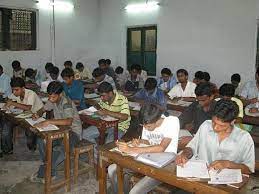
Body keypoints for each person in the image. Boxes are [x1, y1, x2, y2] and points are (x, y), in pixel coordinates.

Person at [108, 103, 180, 194]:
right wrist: (140, 142)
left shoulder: (172, 121)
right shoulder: (147, 120)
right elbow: (148, 142)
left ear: (157, 120)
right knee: (112, 169)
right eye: (143, 126)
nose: (145, 128)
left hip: (164, 166)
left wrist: (130, 150)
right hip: (145, 159)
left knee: (134, 192)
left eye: (148, 126)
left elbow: (161, 148)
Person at [176, 99, 255, 175]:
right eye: (214, 122)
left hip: (226, 183)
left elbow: (249, 169)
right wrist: (185, 154)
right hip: (201, 175)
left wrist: (228, 164)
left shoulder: (244, 138)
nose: (215, 128)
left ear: (232, 121)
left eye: (222, 125)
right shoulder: (206, 126)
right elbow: (191, 147)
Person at [31, 81, 82, 182]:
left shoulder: (66, 102)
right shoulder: (53, 99)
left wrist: (49, 121)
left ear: (61, 94)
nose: (50, 99)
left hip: (73, 132)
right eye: (49, 96)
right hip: (59, 130)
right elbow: (44, 109)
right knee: (41, 141)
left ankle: (47, 170)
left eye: (53, 97)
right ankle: (50, 168)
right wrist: (38, 114)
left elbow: (68, 121)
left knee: (62, 149)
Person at [2, 77, 43, 154]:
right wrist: (7, 103)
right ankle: (8, 150)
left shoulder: (31, 94)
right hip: (20, 116)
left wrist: (13, 103)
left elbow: (28, 108)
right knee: (6, 129)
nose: (14, 92)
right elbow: (9, 100)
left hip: (35, 116)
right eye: (13, 90)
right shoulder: (15, 93)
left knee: (29, 133)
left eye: (16, 90)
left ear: (23, 88)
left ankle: (32, 146)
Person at [178, 82, 216, 148]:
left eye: (203, 100)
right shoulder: (195, 105)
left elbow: (218, 135)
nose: (200, 103)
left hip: (208, 143)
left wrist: (195, 140)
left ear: (211, 96)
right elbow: (182, 119)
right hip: (193, 136)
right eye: (198, 100)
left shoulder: (219, 109)